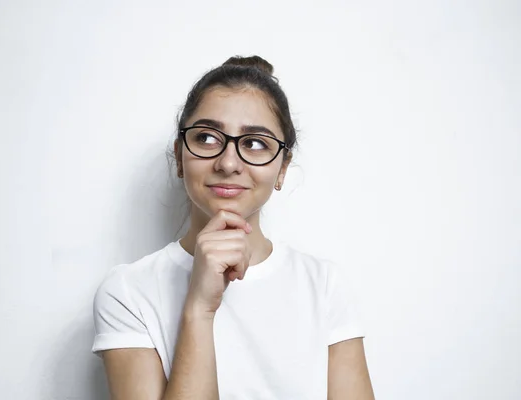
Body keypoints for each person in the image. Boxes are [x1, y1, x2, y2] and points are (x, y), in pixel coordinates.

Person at [91, 55, 375, 400]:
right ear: (181, 155)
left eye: (255, 143)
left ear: (282, 169)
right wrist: (199, 309)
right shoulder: (128, 292)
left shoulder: (324, 285)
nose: (228, 163)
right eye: (208, 138)